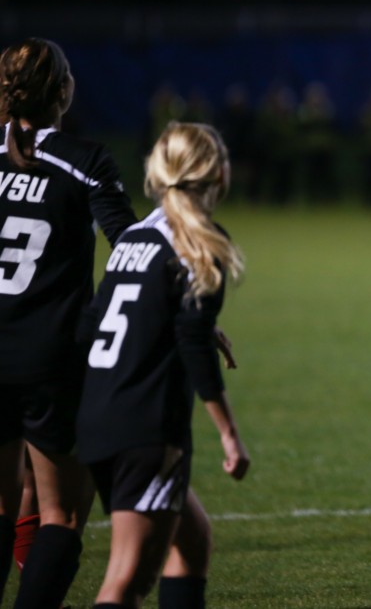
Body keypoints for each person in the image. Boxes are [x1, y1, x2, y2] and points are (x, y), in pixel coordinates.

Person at [76, 121, 251, 608]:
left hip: (99, 417)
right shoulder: (201, 243)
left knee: (191, 544)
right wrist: (230, 434)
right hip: (145, 429)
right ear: (218, 174)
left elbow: (89, 327)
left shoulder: (135, 235)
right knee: (125, 582)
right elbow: (193, 344)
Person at [1, 36, 138, 608]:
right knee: (60, 514)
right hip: (49, 359)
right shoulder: (84, 160)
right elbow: (132, 248)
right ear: (64, 90)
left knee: (4, 507)